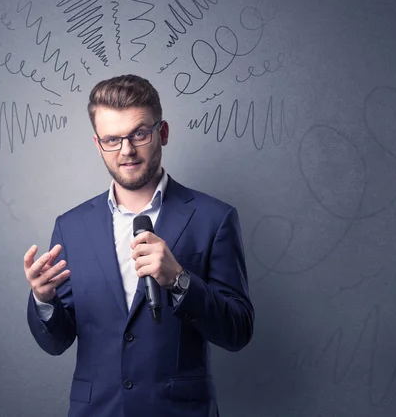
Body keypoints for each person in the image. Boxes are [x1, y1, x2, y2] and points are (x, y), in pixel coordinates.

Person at [24, 74, 254, 417]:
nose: (126, 150)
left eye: (139, 134)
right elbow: (57, 342)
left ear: (162, 132)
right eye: (112, 139)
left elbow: (238, 331)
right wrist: (44, 300)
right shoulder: (71, 227)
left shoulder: (214, 218)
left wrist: (179, 279)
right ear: (98, 143)